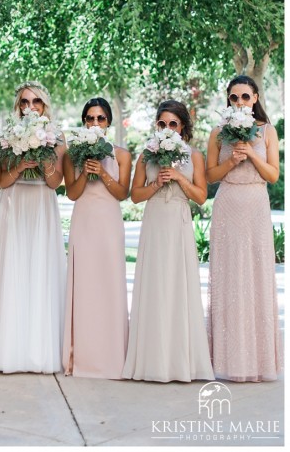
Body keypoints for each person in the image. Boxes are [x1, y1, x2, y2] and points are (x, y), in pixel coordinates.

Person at [122, 100, 214, 383]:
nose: (167, 128)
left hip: (178, 223)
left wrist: (177, 177)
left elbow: (201, 197)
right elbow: (134, 195)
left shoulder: (194, 156)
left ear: (182, 127)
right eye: (162, 123)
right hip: (155, 222)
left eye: (173, 123)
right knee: (154, 287)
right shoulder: (146, 156)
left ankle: (180, 362)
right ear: (156, 126)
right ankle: (151, 361)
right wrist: (156, 184)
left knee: (178, 287)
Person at [206, 75, 281, 382]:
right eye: (234, 97)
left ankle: (259, 362)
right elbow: (211, 175)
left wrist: (250, 153)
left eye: (245, 97)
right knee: (228, 277)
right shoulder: (218, 133)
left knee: (256, 275)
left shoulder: (267, 131)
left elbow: (273, 175)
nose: (240, 102)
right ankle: (226, 360)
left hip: (255, 206)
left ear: (255, 97)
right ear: (228, 99)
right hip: (227, 205)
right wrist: (232, 161)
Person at [0, 81, 66, 374]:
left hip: (41, 206)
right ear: (17, 106)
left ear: (44, 105)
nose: (29, 107)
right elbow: (0, 183)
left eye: (35, 102)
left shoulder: (56, 138)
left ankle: (39, 351)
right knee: (13, 270)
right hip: (15, 202)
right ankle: (10, 351)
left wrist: (43, 158)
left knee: (40, 271)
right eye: (24, 102)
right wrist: (21, 165)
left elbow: (54, 181)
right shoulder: (7, 136)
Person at [62, 98, 131, 379]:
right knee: (85, 286)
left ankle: (112, 355)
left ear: (109, 123)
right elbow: (72, 193)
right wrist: (86, 173)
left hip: (109, 222)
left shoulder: (121, 155)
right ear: (83, 122)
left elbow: (123, 193)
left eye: (100, 119)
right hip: (84, 221)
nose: (95, 124)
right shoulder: (72, 155)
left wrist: (102, 172)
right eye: (90, 118)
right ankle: (83, 356)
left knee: (109, 283)